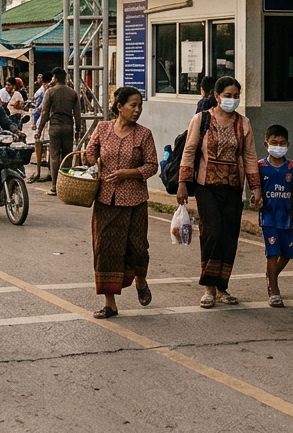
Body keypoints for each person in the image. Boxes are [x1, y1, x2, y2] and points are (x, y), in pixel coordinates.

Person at [176, 76, 259, 308]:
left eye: (236, 96)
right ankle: (208, 287)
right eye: (228, 95)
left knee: (229, 235)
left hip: (233, 187)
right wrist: (183, 182)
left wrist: (256, 188)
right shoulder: (202, 119)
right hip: (206, 187)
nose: (232, 100)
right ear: (217, 96)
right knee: (212, 232)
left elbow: (250, 156)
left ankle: (223, 287)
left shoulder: (244, 123)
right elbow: (189, 150)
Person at [83, 86, 158, 319]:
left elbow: (152, 166)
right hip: (105, 200)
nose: (137, 110)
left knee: (137, 248)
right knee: (105, 250)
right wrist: (92, 160)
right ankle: (110, 304)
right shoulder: (103, 128)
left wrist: (128, 173)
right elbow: (90, 151)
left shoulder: (143, 134)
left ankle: (140, 280)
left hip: (135, 201)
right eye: (133, 105)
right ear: (119, 106)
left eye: (140, 106)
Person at [258, 124, 293, 308]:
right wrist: (256, 199)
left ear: (288, 144)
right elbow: (256, 188)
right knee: (272, 253)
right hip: (268, 217)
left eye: (282, 143)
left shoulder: (292, 167)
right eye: (274, 142)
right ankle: (274, 290)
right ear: (266, 144)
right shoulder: (260, 166)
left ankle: (270, 274)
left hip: (286, 217)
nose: (278, 146)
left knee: (287, 254)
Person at [38, 68, 82, 196]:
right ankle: (65, 185)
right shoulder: (72, 93)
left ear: (55, 78)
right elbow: (77, 114)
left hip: (55, 127)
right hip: (68, 127)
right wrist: (78, 130)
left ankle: (54, 186)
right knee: (67, 156)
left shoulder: (50, 92)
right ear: (65, 78)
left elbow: (44, 112)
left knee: (54, 156)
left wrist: (39, 130)